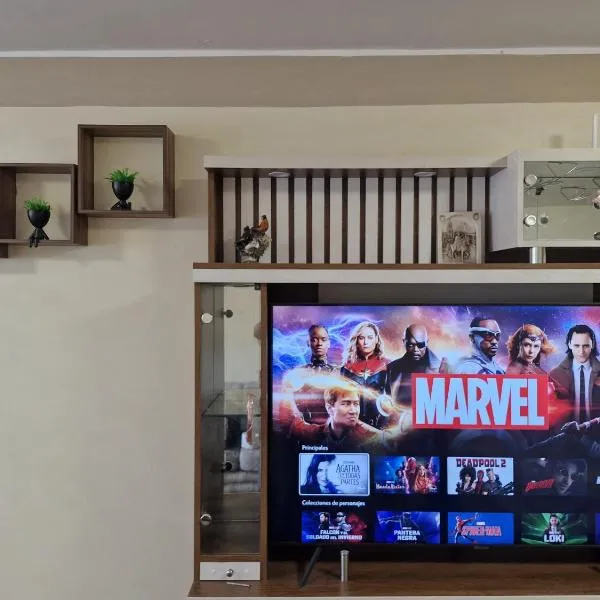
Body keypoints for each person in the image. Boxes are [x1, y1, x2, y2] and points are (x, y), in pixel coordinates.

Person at [273, 384, 388, 452]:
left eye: (356, 404)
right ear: (329, 407)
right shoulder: (316, 434)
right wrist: (288, 389)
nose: (353, 411)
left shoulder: (373, 438)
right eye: (346, 404)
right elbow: (291, 423)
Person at [340, 321, 389, 428]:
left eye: (370, 338)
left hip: (380, 424)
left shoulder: (387, 365)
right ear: (356, 340)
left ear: (376, 339)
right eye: (361, 338)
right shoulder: (346, 368)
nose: (366, 342)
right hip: (353, 424)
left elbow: (392, 399)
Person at [385, 324, 446, 407]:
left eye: (420, 345)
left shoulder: (442, 369)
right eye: (410, 345)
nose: (416, 350)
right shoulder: (392, 368)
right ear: (404, 342)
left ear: (427, 342)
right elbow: (389, 403)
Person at [549, 324, 600, 422]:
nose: (581, 351)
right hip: (564, 430)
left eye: (586, 346)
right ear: (569, 344)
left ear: (593, 345)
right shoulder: (554, 375)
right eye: (577, 346)